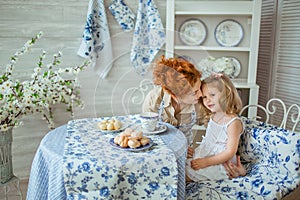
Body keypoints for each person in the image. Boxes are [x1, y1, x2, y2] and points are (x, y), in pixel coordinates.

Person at [143, 56, 246, 178]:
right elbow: (147, 134)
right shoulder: (155, 99)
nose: (201, 94)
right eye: (195, 92)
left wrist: (233, 165)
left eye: (199, 89)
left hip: (186, 154)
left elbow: (223, 134)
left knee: (177, 175)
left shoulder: (201, 104)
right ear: (176, 95)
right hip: (160, 150)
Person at [186, 73, 246, 182]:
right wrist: (195, 152)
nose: (207, 100)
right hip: (206, 155)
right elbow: (210, 142)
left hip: (220, 162)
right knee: (180, 166)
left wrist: (205, 162)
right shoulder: (214, 115)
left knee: (185, 176)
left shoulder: (233, 122)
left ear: (226, 94)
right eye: (204, 97)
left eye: (212, 95)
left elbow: (229, 152)